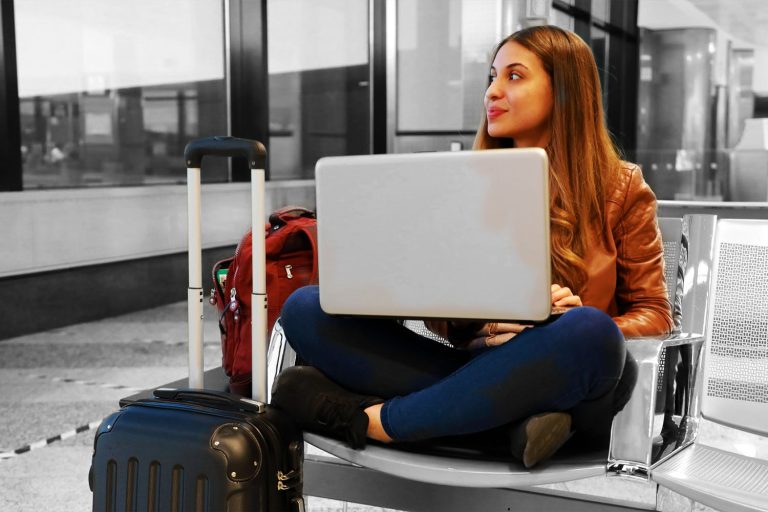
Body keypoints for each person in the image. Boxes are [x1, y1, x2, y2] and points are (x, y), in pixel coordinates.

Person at [270, 25, 673, 468]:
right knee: (307, 307)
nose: (493, 92)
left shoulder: (622, 187)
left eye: (514, 76)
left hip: (570, 382)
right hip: (480, 372)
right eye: (491, 77)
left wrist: (566, 318)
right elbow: (444, 317)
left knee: (591, 334)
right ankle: (508, 432)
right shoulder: (469, 183)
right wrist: (472, 323)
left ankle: (375, 422)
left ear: (565, 91)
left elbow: (655, 315)